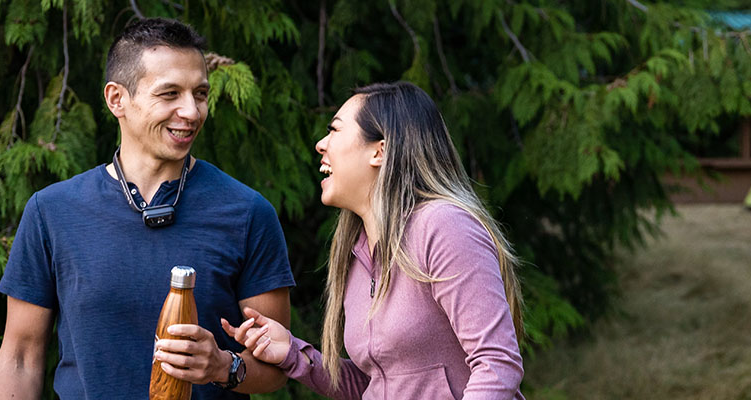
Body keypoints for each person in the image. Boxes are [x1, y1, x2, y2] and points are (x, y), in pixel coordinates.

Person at [0, 18, 295, 399]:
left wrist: (223, 366)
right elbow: (19, 357)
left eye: (200, 94)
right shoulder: (52, 211)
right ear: (117, 99)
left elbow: (277, 365)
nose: (192, 111)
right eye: (169, 94)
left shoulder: (248, 212)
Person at [222, 82, 526, 399]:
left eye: (335, 131)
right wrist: (294, 353)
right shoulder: (358, 252)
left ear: (379, 151)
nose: (320, 144)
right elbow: (377, 386)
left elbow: (497, 364)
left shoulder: (442, 225)